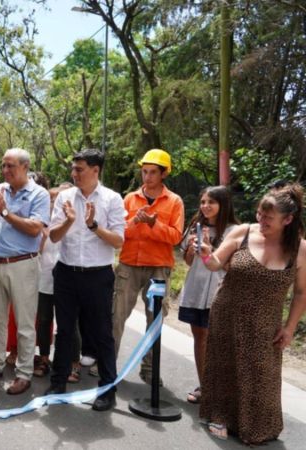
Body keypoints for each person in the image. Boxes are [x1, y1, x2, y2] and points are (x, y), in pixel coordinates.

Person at [198, 183, 306, 444]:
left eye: (268, 217)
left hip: (266, 322)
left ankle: (257, 425)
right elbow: (214, 264)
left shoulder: (300, 249)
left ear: (288, 219)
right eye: (259, 214)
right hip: (228, 312)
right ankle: (220, 416)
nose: (261, 220)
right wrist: (205, 254)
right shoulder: (244, 232)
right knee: (225, 367)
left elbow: (301, 293)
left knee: (261, 374)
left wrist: (290, 328)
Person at [45, 149, 125, 412]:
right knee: (64, 331)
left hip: (98, 275)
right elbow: (53, 237)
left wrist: (93, 226)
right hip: (66, 273)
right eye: (73, 169)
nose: (74, 174)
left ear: (95, 170)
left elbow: (118, 240)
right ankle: (57, 384)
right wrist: (69, 222)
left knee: (102, 333)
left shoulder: (112, 199)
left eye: (79, 169)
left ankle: (107, 390)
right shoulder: (65, 197)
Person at [0, 148, 49, 395]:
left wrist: (5, 210)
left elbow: (34, 229)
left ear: (25, 167)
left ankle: (24, 373)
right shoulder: (0, 192)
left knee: (25, 324)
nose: (5, 170)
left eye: (11, 166)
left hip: (23, 264)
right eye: (3, 165)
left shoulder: (39, 194)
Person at [111, 149, 184, 385]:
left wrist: (154, 224)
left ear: (164, 174)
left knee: (155, 321)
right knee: (116, 316)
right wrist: (135, 221)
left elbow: (175, 237)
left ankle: (150, 369)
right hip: (129, 265)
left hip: (158, 268)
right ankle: (107, 365)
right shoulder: (130, 199)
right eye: (144, 171)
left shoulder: (174, 201)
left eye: (153, 172)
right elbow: (118, 232)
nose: (148, 176)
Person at [178, 186, 238, 404]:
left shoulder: (235, 231)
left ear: (223, 205)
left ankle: (221, 388)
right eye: (203, 202)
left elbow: (233, 266)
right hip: (196, 288)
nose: (205, 206)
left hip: (219, 292)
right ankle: (204, 386)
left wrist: (211, 250)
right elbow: (186, 261)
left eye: (211, 202)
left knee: (219, 341)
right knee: (200, 338)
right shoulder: (195, 226)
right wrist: (191, 251)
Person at [34, 183, 73, 379]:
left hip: (68, 279)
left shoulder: (72, 222)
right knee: (43, 319)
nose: (52, 203)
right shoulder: (41, 223)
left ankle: (72, 361)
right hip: (44, 278)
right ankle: (43, 357)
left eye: (56, 199)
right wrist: (42, 237)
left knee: (69, 322)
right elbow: (36, 251)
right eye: (50, 200)